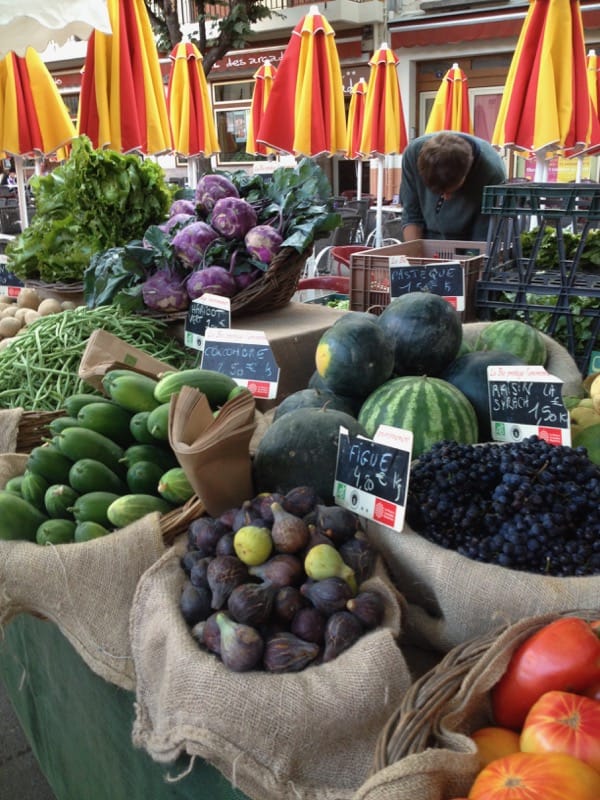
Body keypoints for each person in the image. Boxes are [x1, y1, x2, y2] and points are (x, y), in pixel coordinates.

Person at [399, 131, 506, 242]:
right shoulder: (412, 155)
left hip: (468, 241)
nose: (446, 197)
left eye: (450, 191)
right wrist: (414, 253)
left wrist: (469, 258)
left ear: (466, 174)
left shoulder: (492, 174)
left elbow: (484, 235)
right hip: (426, 240)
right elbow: (411, 214)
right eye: (437, 192)